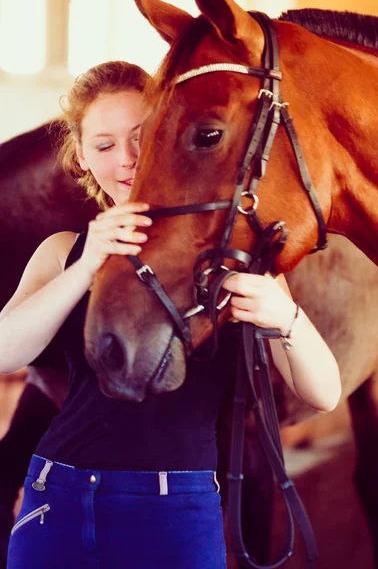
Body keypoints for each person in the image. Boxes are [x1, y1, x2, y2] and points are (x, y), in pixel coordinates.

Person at [0, 60, 341, 569]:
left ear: (169, 135)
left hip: (175, 509)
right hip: (57, 495)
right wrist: (87, 265)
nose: (127, 160)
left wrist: (285, 315)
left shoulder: (230, 260)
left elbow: (324, 394)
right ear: (83, 157)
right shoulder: (64, 251)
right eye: (104, 145)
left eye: (142, 137)